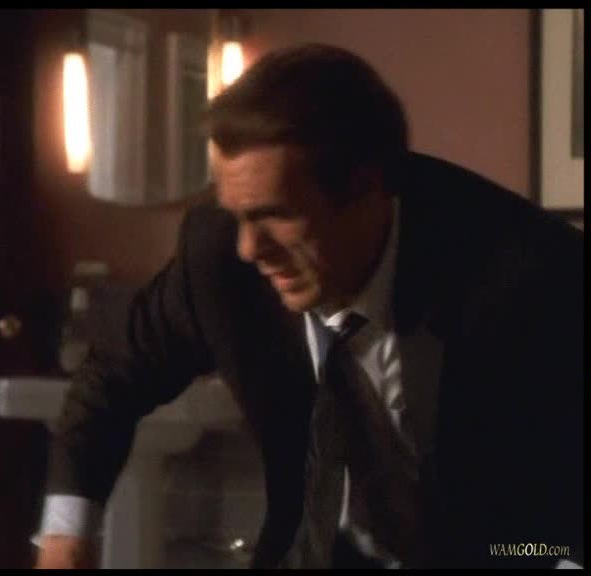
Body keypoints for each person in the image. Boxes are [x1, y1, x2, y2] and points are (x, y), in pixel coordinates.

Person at [35, 44, 583, 569]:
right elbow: (112, 377)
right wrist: (65, 541)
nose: (250, 248)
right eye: (237, 215)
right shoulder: (219, 259)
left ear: (367, 187)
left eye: (275, 215)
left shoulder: (532, 279)